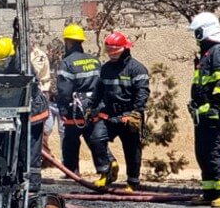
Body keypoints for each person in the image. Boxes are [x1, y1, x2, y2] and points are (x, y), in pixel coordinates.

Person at [87, 32, 150, 191]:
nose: (111, 54)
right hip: (109, 114)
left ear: (124, 49)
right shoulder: (106, 68)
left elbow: (142, 92)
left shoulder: (137, 69)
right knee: (96, 139)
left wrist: (136, 112)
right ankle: (106, 171)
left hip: (128, 114)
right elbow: (98, 90)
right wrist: (90, 107)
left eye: (114, 51)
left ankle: (132, 182)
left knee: (132, 149)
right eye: (108, 51)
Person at [56, 24, 117, 178]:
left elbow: (64, 91)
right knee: (93, 137)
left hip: (75, 108)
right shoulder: (94, 60)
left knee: (70, 140)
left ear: (68, 42)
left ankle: (72, 171)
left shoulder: (67, 63)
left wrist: (63, 110)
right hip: (94, 106)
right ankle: (107, 163)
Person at [0, 36, 48, 192]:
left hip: (33, 111)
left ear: (12, 56)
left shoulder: (23, 67)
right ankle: (12, 180)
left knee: (30, 151)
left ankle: (33, 187)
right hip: (19, 109)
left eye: (2, 63)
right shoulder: (0, 61)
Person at [187, 12, 220, 207]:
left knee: (213, 151)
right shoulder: (206, 53)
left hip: (213, 110)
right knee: (202, 151)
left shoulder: (218, 51)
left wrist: (215, 100)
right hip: (202, 111)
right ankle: (210, 191)